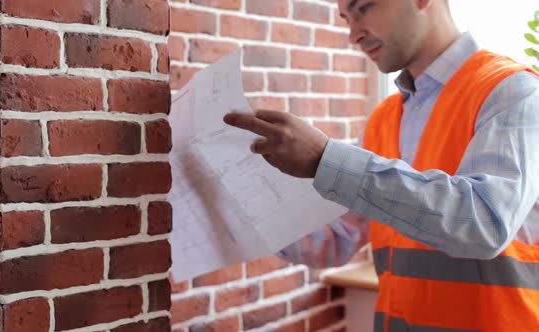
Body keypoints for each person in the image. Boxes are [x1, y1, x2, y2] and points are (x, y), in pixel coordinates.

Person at [223, 0, 539, 331]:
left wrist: (324, 159)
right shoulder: (383, 120)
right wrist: (239, 203)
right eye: (346, 18)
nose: (352, 34)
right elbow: (335, 238)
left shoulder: (513, 93)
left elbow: (484, 223)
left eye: (364, 8)